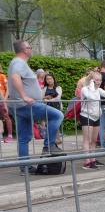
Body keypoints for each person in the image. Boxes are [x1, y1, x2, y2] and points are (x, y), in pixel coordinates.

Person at [6, 39, 64, 170]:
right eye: (30, 47)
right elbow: (15, 78)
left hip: (19, 106)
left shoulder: (17, 62)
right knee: (57, 115)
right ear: (24, 50)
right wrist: (24, 96)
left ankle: (24, 167)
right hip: (26, 105)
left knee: (23, 138)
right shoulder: (19, 62)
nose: (31, 49)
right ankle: (48, 145)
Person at [0, 62, 13, 142]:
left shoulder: (2, 76)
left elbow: (8, 89)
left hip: (2, 100)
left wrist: (5, 100)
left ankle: (10, 135)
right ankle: (1, 135)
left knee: (6, 116)